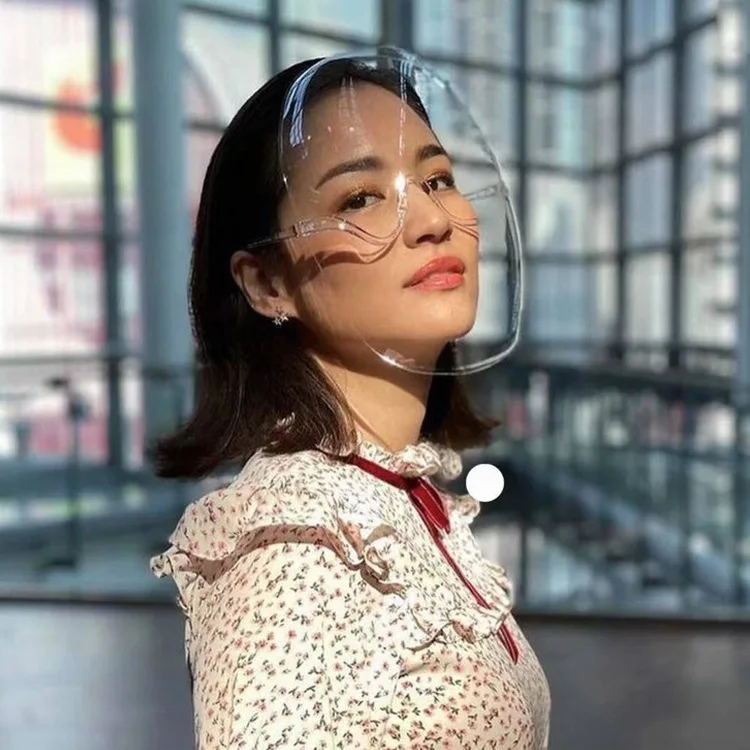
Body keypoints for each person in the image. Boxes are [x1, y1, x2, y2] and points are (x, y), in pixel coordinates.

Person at [151, 49, 550, 749]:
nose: (432, 219)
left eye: (438, 178)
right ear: (268, 283)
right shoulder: (292, 541)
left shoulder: (397, 493)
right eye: (360, 198)